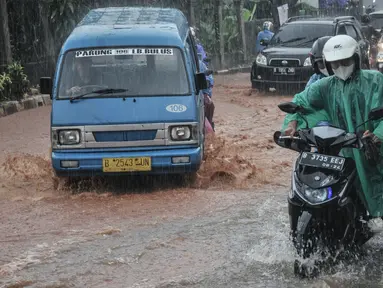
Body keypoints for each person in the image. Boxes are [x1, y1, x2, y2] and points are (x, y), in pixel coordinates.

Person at [283, 34, 383, 217]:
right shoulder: (325, 86)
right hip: (344, 151)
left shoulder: (375, 81)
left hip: (373, 149)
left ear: (355, 59)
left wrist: (378, 134)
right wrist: (292, 123)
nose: (340, 68)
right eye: (335, 64)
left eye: (345, 62)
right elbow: (301, 102)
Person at [281, 36, 332, 131]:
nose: (328, 67)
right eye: (322, 63)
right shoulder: (316, 81)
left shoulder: (358, 81)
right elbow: (301, 101)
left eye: (331, 62)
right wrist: (291, 125)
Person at [199, 59, 215, 131]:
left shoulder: (199, 64)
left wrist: (205, 93)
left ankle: (210, 122)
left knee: (210, 104)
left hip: (200, 92)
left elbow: (209, 80)